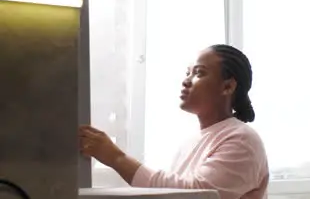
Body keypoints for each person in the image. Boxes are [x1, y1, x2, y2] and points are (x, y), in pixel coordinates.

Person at [79, 44, 269, 199]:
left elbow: (197, 195)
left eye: (199, 73)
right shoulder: (191, 142)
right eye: (188, 72)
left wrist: (116, 158)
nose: (186, 81)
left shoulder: (243, 140)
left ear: (228, 86)